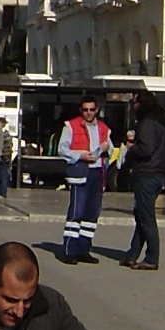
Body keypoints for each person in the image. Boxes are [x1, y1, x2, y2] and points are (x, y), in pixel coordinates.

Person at [58, 95, 111, 262]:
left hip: (98, 172)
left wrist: (106, 148)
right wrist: (80, 156)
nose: (88, 113)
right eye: (85, 110)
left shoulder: (103, 128)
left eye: (92, 110)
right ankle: (69, 251)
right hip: (80, 172)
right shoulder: (71, 126)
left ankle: (84, 249)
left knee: (91, 213)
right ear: (81, 110)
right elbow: (62, 149)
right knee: (77, 211)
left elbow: (111, 148)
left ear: (97, 110)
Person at [122, 92, 165, 272]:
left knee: (147, 217)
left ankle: (152, 257)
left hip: (147, 173)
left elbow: (146, 149)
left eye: (134, 102)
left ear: (141, 104)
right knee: (141, 215)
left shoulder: (148, 123)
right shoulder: (160, 122)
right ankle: (132, 254)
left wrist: (132, 148)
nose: (133, 106)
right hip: (157, 172)